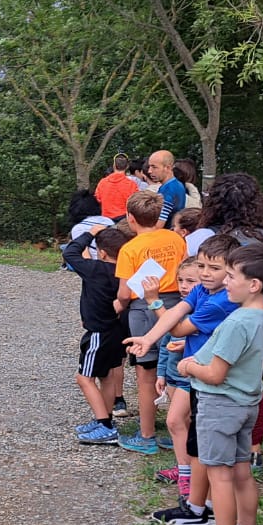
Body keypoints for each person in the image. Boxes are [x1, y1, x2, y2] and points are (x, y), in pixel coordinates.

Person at [172, 242, 263, 525]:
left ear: (253, 285)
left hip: (221, 406)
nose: (225, 282)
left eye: (231, 276)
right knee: (243, 473)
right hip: (248, 402)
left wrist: (189, 366)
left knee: (220, 477)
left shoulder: (237, 322)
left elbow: (216, 374)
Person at [130, 234, 240, 525]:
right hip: (197, 375)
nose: (205, 273)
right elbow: (177, 312)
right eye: (202, 265)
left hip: (208, 379)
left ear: (232, 270)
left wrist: (153, 301)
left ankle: (197, 509)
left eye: (213, 268)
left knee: (203, 446)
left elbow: (178, 327)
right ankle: (202, 505)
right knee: (198, 443)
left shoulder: (220, 300)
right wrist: (149, 338)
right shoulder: (205, 290)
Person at [184, 172, 263, 470]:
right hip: (260, 319)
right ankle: (253, 448)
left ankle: (207, 456)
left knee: (210, 391)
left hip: (212, 328)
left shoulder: (201, 238)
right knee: (254, 384)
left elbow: (189, 278)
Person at [112, 190, 188, 453]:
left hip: (144, 306)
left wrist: (119, 305)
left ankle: (146, 436)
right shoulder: (175, 239)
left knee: (146, 374)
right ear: (159, 216)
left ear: (130, 218)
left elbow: (124, 292)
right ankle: (178, 431)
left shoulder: (130, 248)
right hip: (178, 304)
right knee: (178, 368)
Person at [61, 223, 133, 444]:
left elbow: (70, 252)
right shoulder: (126, 274)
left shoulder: (94, 269)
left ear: (101, 253)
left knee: (84, 378)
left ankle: (105, 425)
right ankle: (106, 418)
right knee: (108, 375)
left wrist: (90, 232)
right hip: (117, 330)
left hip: (98, 333)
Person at [146, 150, 187, 228]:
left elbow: (159, 225)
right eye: (149, 166)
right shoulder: (177, 184)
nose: (149, 171)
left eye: (154, 167)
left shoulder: (169, 190)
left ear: (168, 167)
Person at [95, 153, 140, 219]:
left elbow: (97, 199)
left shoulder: (102, 183)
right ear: (127, 166)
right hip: (124, 220)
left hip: (106, 220)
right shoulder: (132, 185)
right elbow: (136, 203)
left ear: (114, 165)